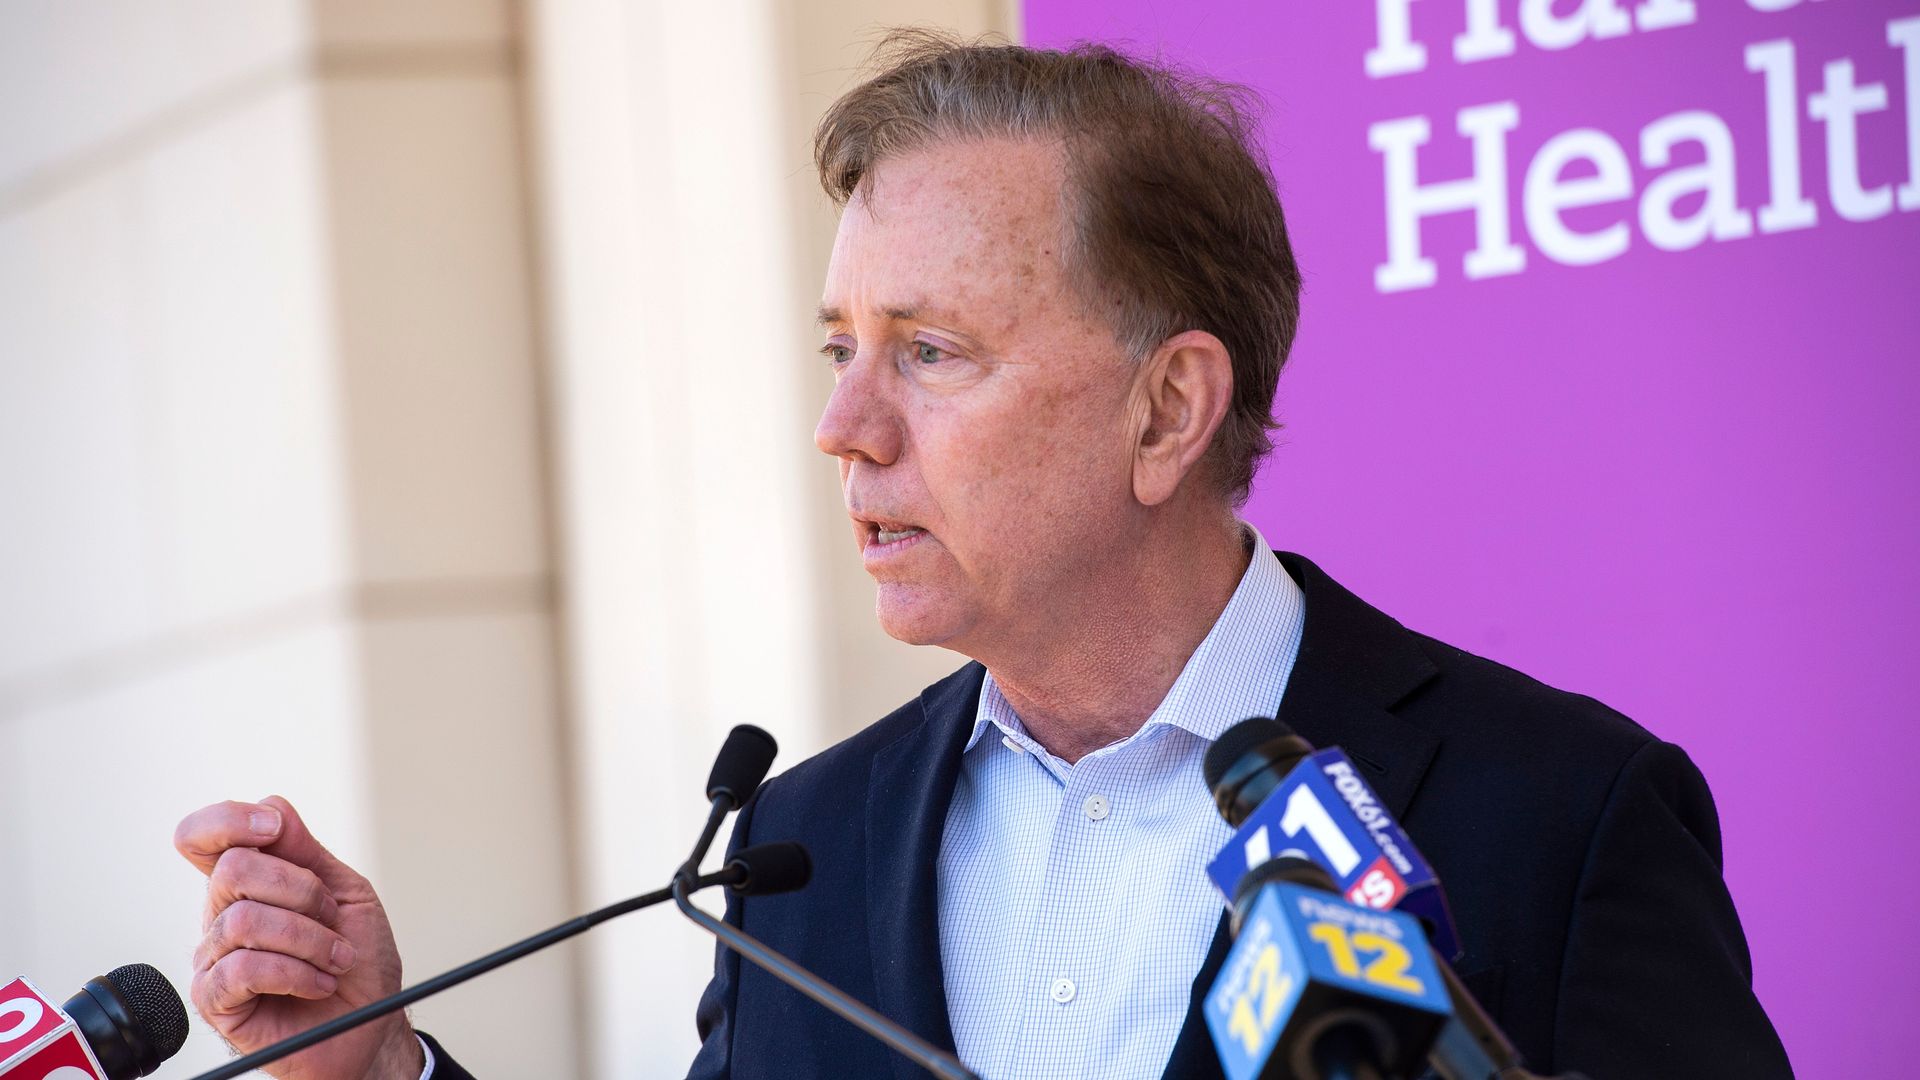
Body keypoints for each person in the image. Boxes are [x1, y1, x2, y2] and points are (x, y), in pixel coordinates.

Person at [172, 33, 1793, 1080]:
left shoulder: (1558, 817)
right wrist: (381, 1072)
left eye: (933, 352)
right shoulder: (796, 858)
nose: (849, 428)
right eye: (841, 349)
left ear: (1170, 411)